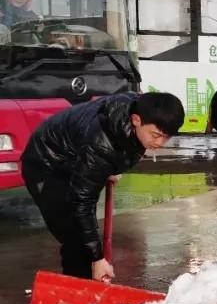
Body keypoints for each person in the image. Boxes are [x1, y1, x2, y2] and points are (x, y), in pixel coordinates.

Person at [21, 92, 185, 282]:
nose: (159, 144)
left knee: (82, 234)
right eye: (156, 135)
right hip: (47, 164)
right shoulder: (101, 144)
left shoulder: (136, 108)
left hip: (77, 156)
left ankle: (84, 287)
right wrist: (97, 259)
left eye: (166, 138)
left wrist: (111, 167)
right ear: (136, 120)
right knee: (76, 237)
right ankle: (80, 294)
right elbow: (82, 202)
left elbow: (116, 149)